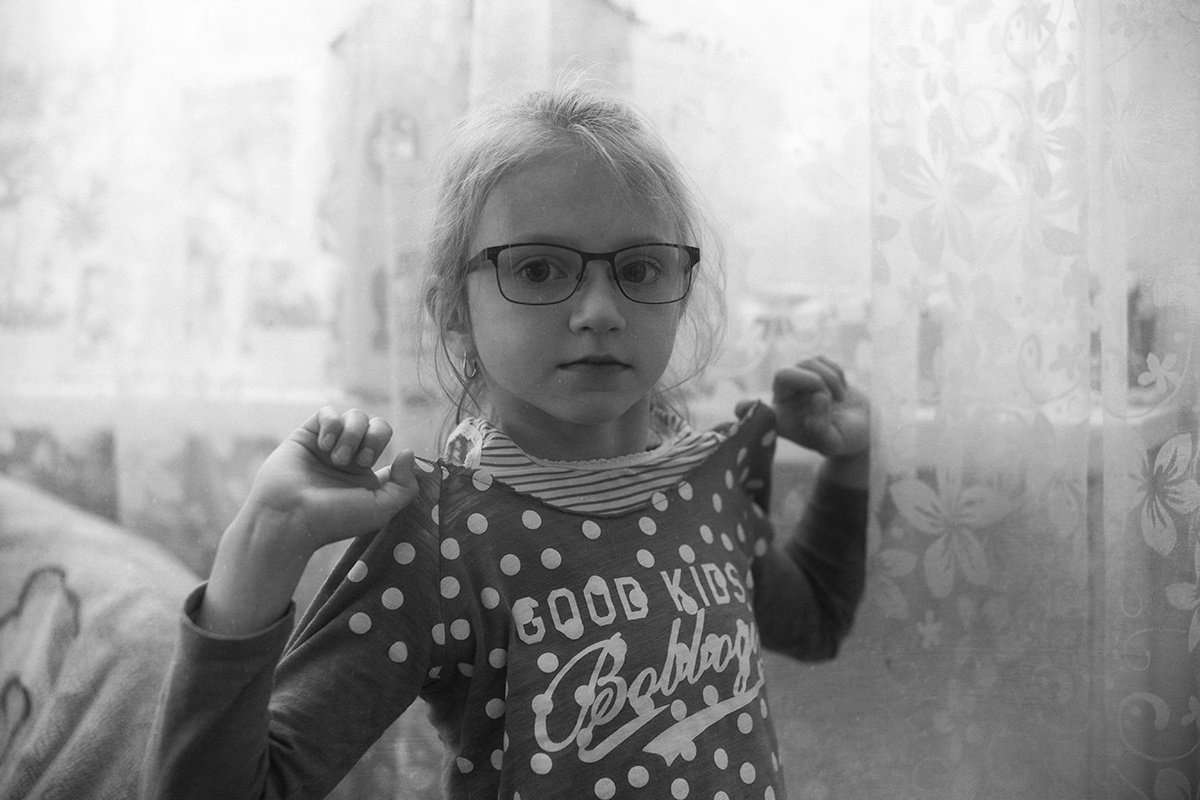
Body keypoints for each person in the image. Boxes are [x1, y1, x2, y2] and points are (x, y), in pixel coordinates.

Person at [144, 82, 870, 800]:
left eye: (640, 268)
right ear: (454, 311)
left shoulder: (709, 483)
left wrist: (847, 465)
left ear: (682, 291)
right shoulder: (438, 540)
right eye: (538, 269)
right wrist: (264, 540)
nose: (599, 310)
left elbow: (815, 622)